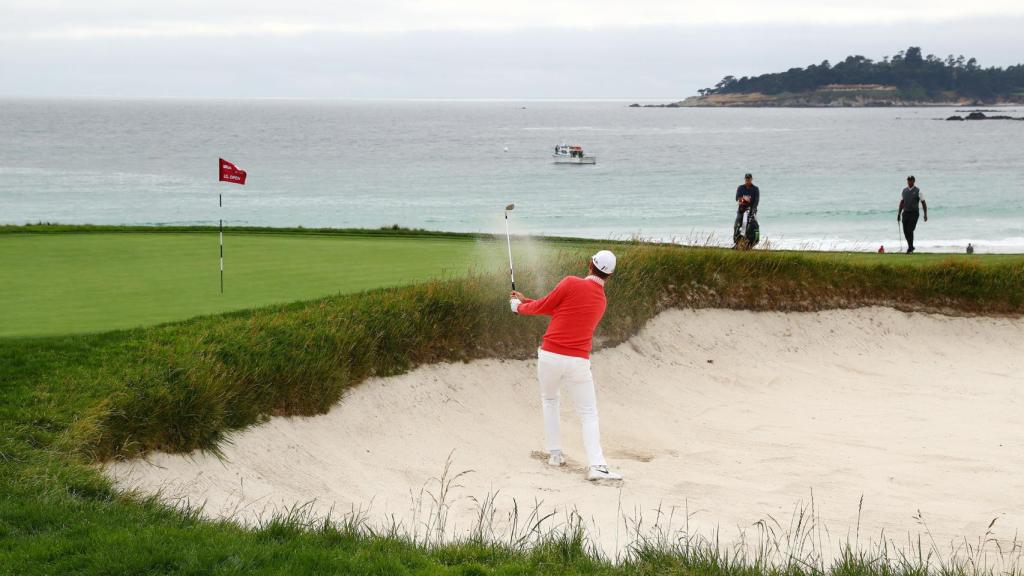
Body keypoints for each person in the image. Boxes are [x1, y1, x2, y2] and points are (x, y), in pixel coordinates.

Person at [509, 250, 622, 481]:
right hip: (578, 362)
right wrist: (524, 301)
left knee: (550, 401)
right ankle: (597, 467)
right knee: (588, 413)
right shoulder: (601, 301)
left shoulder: (571, 282)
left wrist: (518, 307)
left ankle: (555, 455)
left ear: (590, 265)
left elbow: (548, 306)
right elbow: (554, 307)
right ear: (609, 275)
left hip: (550, 356)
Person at [897, 176, 928, 253]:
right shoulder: (904, 191)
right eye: (908, 181)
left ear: (914, 181)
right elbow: (902, 202)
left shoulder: (918, 191)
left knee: (910, 230)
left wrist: (925, 214)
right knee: (905, 231)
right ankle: (911, 247)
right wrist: (899, 214)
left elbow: (923, 203)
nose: (909, 182)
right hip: (905, 213)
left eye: (911, 181)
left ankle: (910, 248)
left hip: (914, 213)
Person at [733, 173, 760, 249]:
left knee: (752, 227)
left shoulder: (755, 189)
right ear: (744, 179)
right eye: (746, 179)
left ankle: (749, 244)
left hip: (752, 211)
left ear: (751, 179)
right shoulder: (740, 188)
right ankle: (737, 243)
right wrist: (745, 200)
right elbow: (737, 198)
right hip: (741, 210)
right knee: (737, 226)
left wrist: (753, 209)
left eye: (749, 178)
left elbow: (756, 201)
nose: (747, 180)